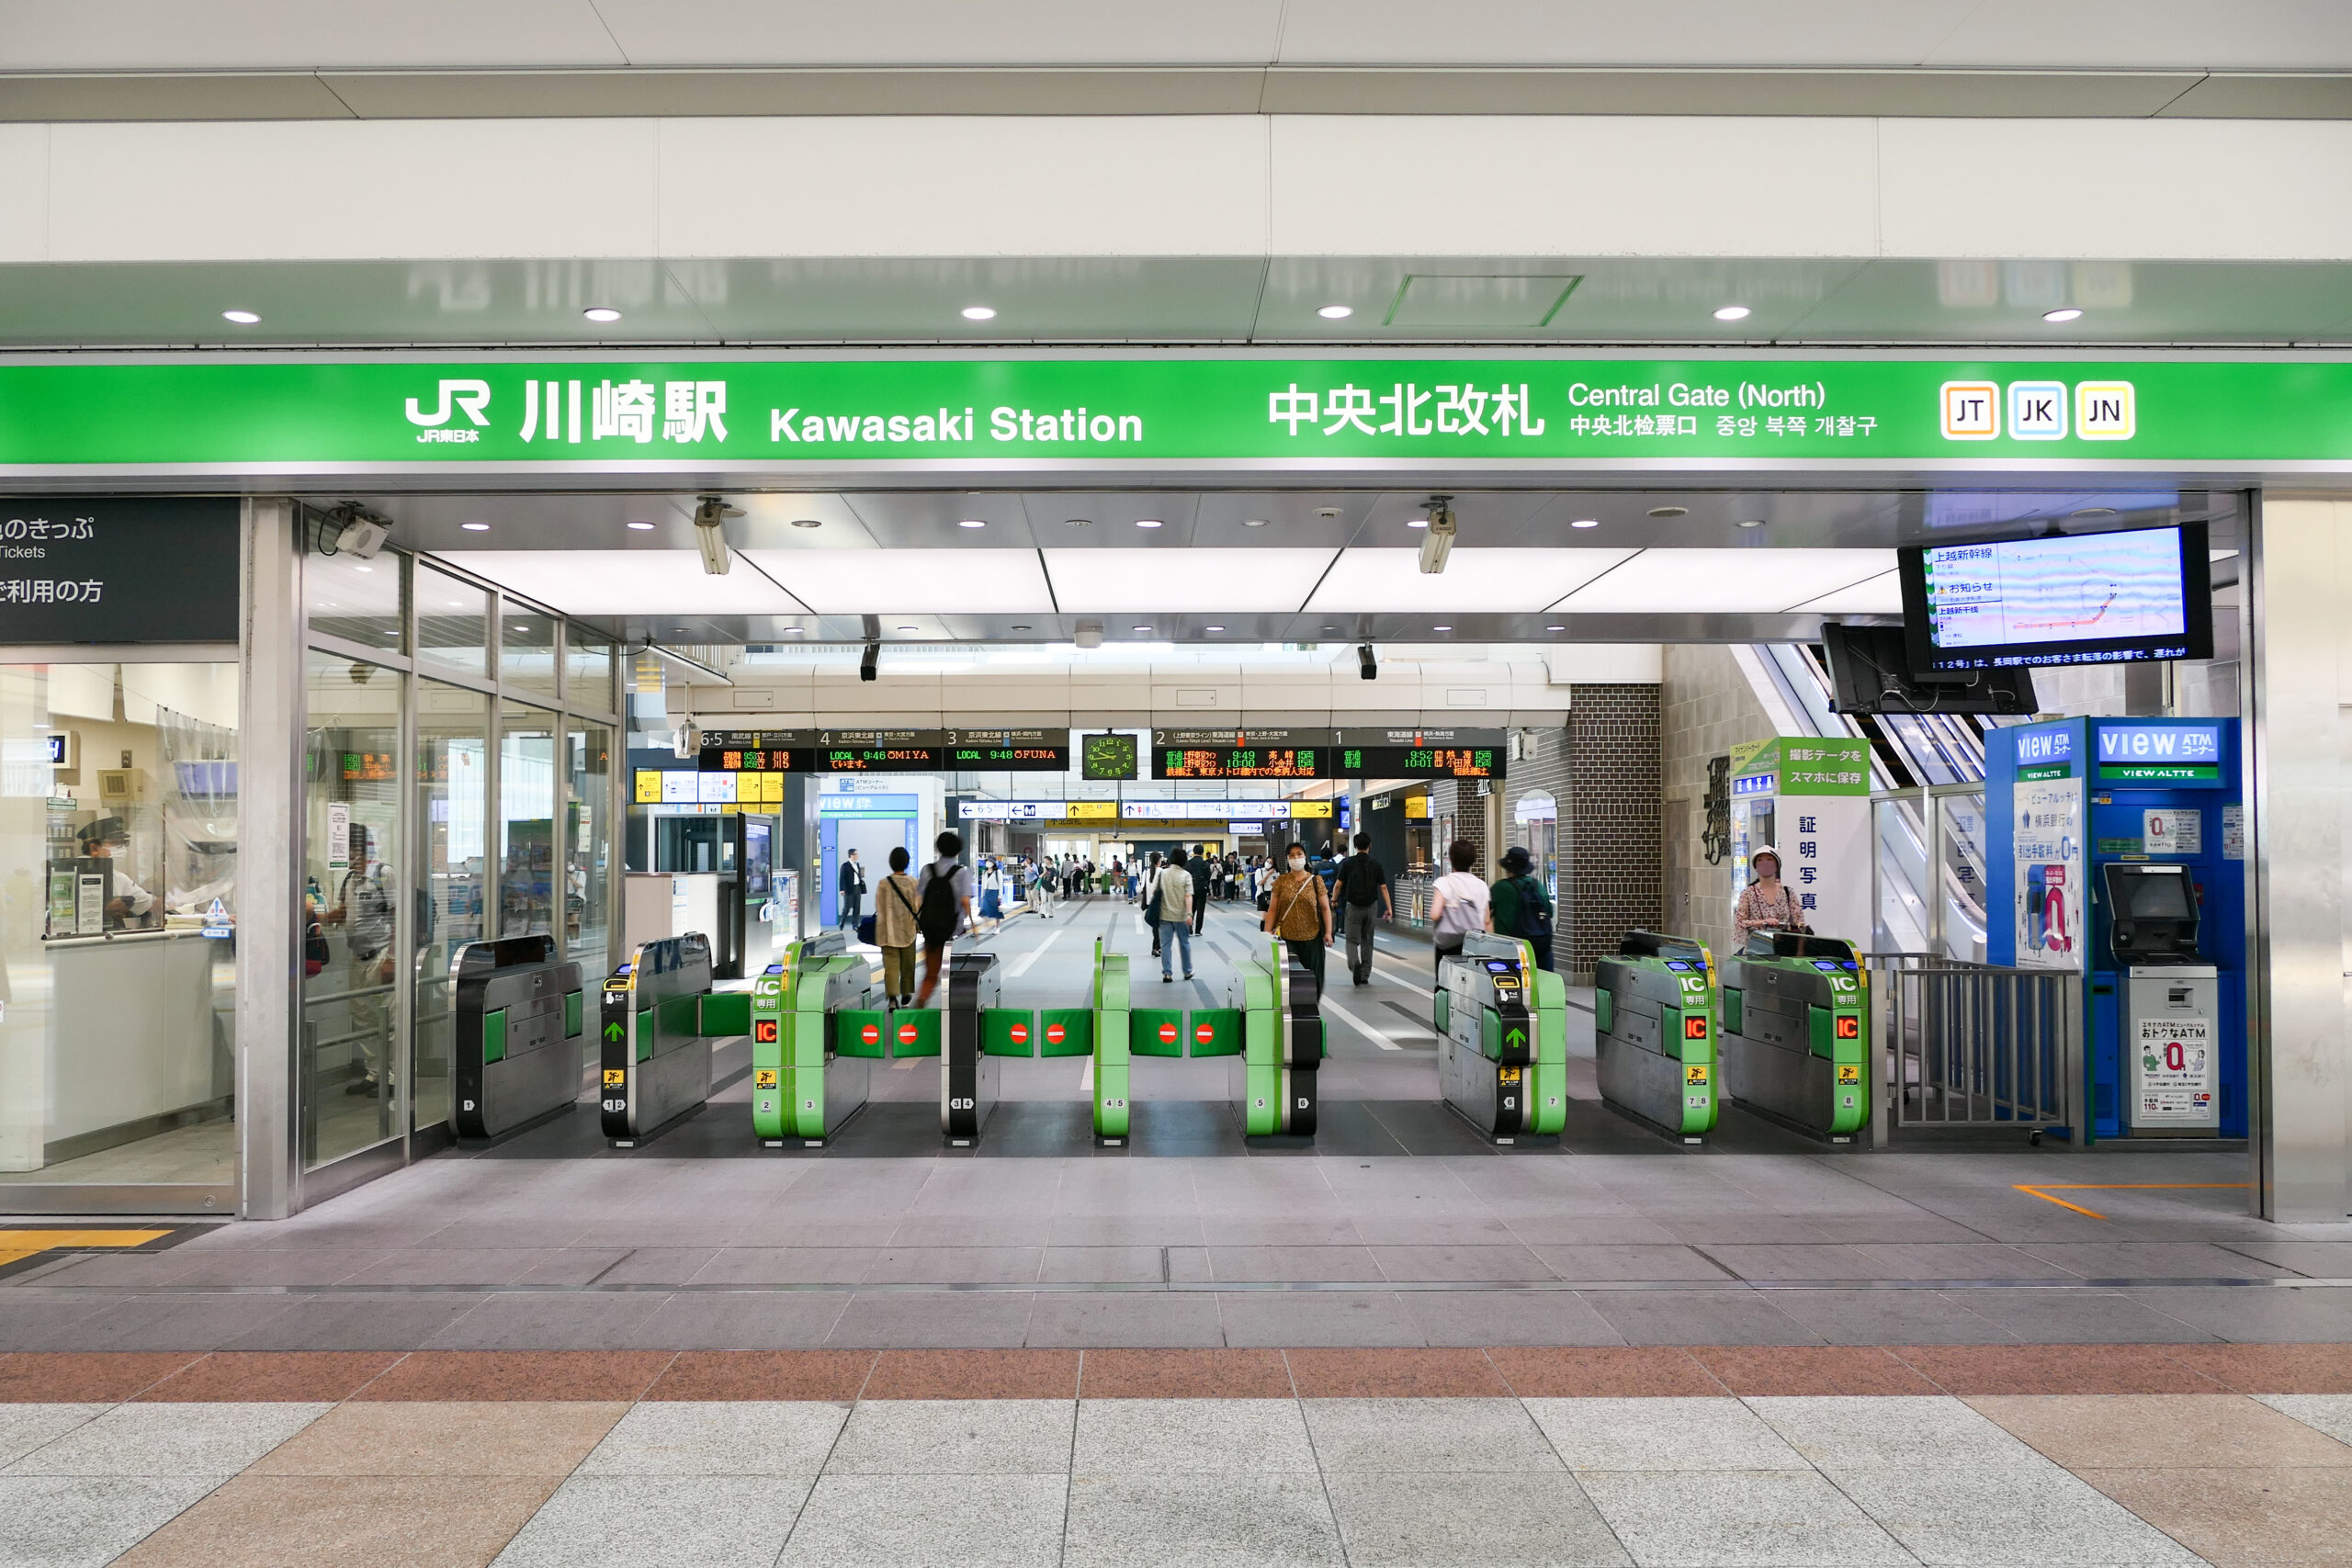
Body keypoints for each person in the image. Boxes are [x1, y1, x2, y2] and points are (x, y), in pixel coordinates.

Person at [328, 823, 397, 1097]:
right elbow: (344, 913)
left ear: (362, 848)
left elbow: (399, 915)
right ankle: (374, 1073)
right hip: (357, 957)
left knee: (389, 1020)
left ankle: (393, 1077)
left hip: (381, 955)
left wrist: (393, 958)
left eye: (349, 849)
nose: (346, 855)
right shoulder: (350, 880)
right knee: (363, 1018)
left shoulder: (383, 874)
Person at [911, 830, 975, 1009]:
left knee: (931, 972)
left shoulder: (927, 870)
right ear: (957, 851)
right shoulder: (961, 872)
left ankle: (922, 999)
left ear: (938, 848)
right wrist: (973, 926)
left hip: (931, 929)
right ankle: (957, 1009)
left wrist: (919, 922)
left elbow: (919, 899)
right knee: (958, 973)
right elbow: (965, 901)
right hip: (953, 931)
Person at [1261, 840, 1333, 993]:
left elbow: (1326, 908)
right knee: (1289, 980)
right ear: (1287, 859)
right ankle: (1293, 1011)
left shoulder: (1316, 881)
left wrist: (1328, 932)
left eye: (1299, 854)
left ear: (1305, 856)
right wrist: (1266, 935)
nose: (1296, 858)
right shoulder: (1281, 881)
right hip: (1287, 938)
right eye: (1292, 855)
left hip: (1312, 938)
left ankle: (1312, 1010)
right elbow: (1272, 909)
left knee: (1314, 979)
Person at [1427, 838, 1491, 981]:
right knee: (1471, 984)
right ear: (1473, 860)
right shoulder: (1481, 885)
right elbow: (1487, 921)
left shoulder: (1443, 883)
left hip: (1447, 945)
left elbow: (1435, 914)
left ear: (1451, 859)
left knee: (1446, 984)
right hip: (1474, 946)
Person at [1336, 831, 1393, 986]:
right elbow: (1384, 887)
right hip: (1371, 907)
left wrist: (1334, 900)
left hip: (1353, 907)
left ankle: (1354, 963)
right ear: (1370, 846)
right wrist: (1389, 908)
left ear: (1354, 846)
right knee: (1367, 941)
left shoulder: (1347, 863)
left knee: (1351, 940)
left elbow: (1338, 885)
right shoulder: (1376, 864)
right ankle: (1364, 975)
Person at [78, 816, 156, 929]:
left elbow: (148, 904)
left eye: (124, 843)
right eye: (116, 843)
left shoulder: (118, 877)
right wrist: (107, 908)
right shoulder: (71, 873)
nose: (122, 849)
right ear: (94, 848)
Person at [1489, 845, 1555, 973]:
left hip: (1510, 950)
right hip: (1540, 949)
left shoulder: (1500, 888)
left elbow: (1485, 913)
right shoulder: (1539, 886)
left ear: (1508, 868)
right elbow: (1550, 913)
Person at [874, 844, 922, 1006]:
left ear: (891, 863)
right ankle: (906, 993)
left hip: (887, 932)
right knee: (908, 964)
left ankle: (892, 998)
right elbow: (918, 907)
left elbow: (879, 908)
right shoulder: (913, 883)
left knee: (891, 965)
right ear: (907, 863)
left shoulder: (883, 883)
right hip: (907, 931)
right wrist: (918, 926)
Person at [1735, 845, 1807, 943]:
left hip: (1784, 946)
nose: (1765, 863)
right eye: (1760, 860)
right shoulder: (1748, 893)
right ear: (1755, 867)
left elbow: (1800, 921)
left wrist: (1796, 931)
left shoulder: (1788, 892)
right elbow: (1740, 922)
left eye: (1769, 859)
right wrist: (1762, 922)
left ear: (1777, 866)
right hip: (1757, 947)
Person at [1156, 847, 1198, 982]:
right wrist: (1190, 914)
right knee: (1184, 943)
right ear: (1184, 860)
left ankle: (1167, 973)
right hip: (1181, 916)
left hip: (1164, 915)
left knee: (1165, 945)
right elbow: (1188, 896)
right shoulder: (1186, 875)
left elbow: (1156, 893)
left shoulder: (1162, 874)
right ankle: (1187, 971)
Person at [837, 848, 865, 931]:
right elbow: (841, 878)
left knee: (857, 907)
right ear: (851, 856)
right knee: (847, 907)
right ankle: (842, 922)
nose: (857, 856)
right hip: (848, 889)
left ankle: (855, 924)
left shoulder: (857, 864)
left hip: (857, 888)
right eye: (856, 854)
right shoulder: (845, 866)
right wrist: (841, 889)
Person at [1191, 845, 1212, 935]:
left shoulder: (1188, 863)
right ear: (1202, 853)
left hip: (1191, 888)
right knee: (1200, 909)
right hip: (1202, 888)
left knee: (1191, 909)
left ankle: (1189, 929)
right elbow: (1208, 876)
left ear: (1193, 852)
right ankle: (1198, 930)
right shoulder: (1205, 864)